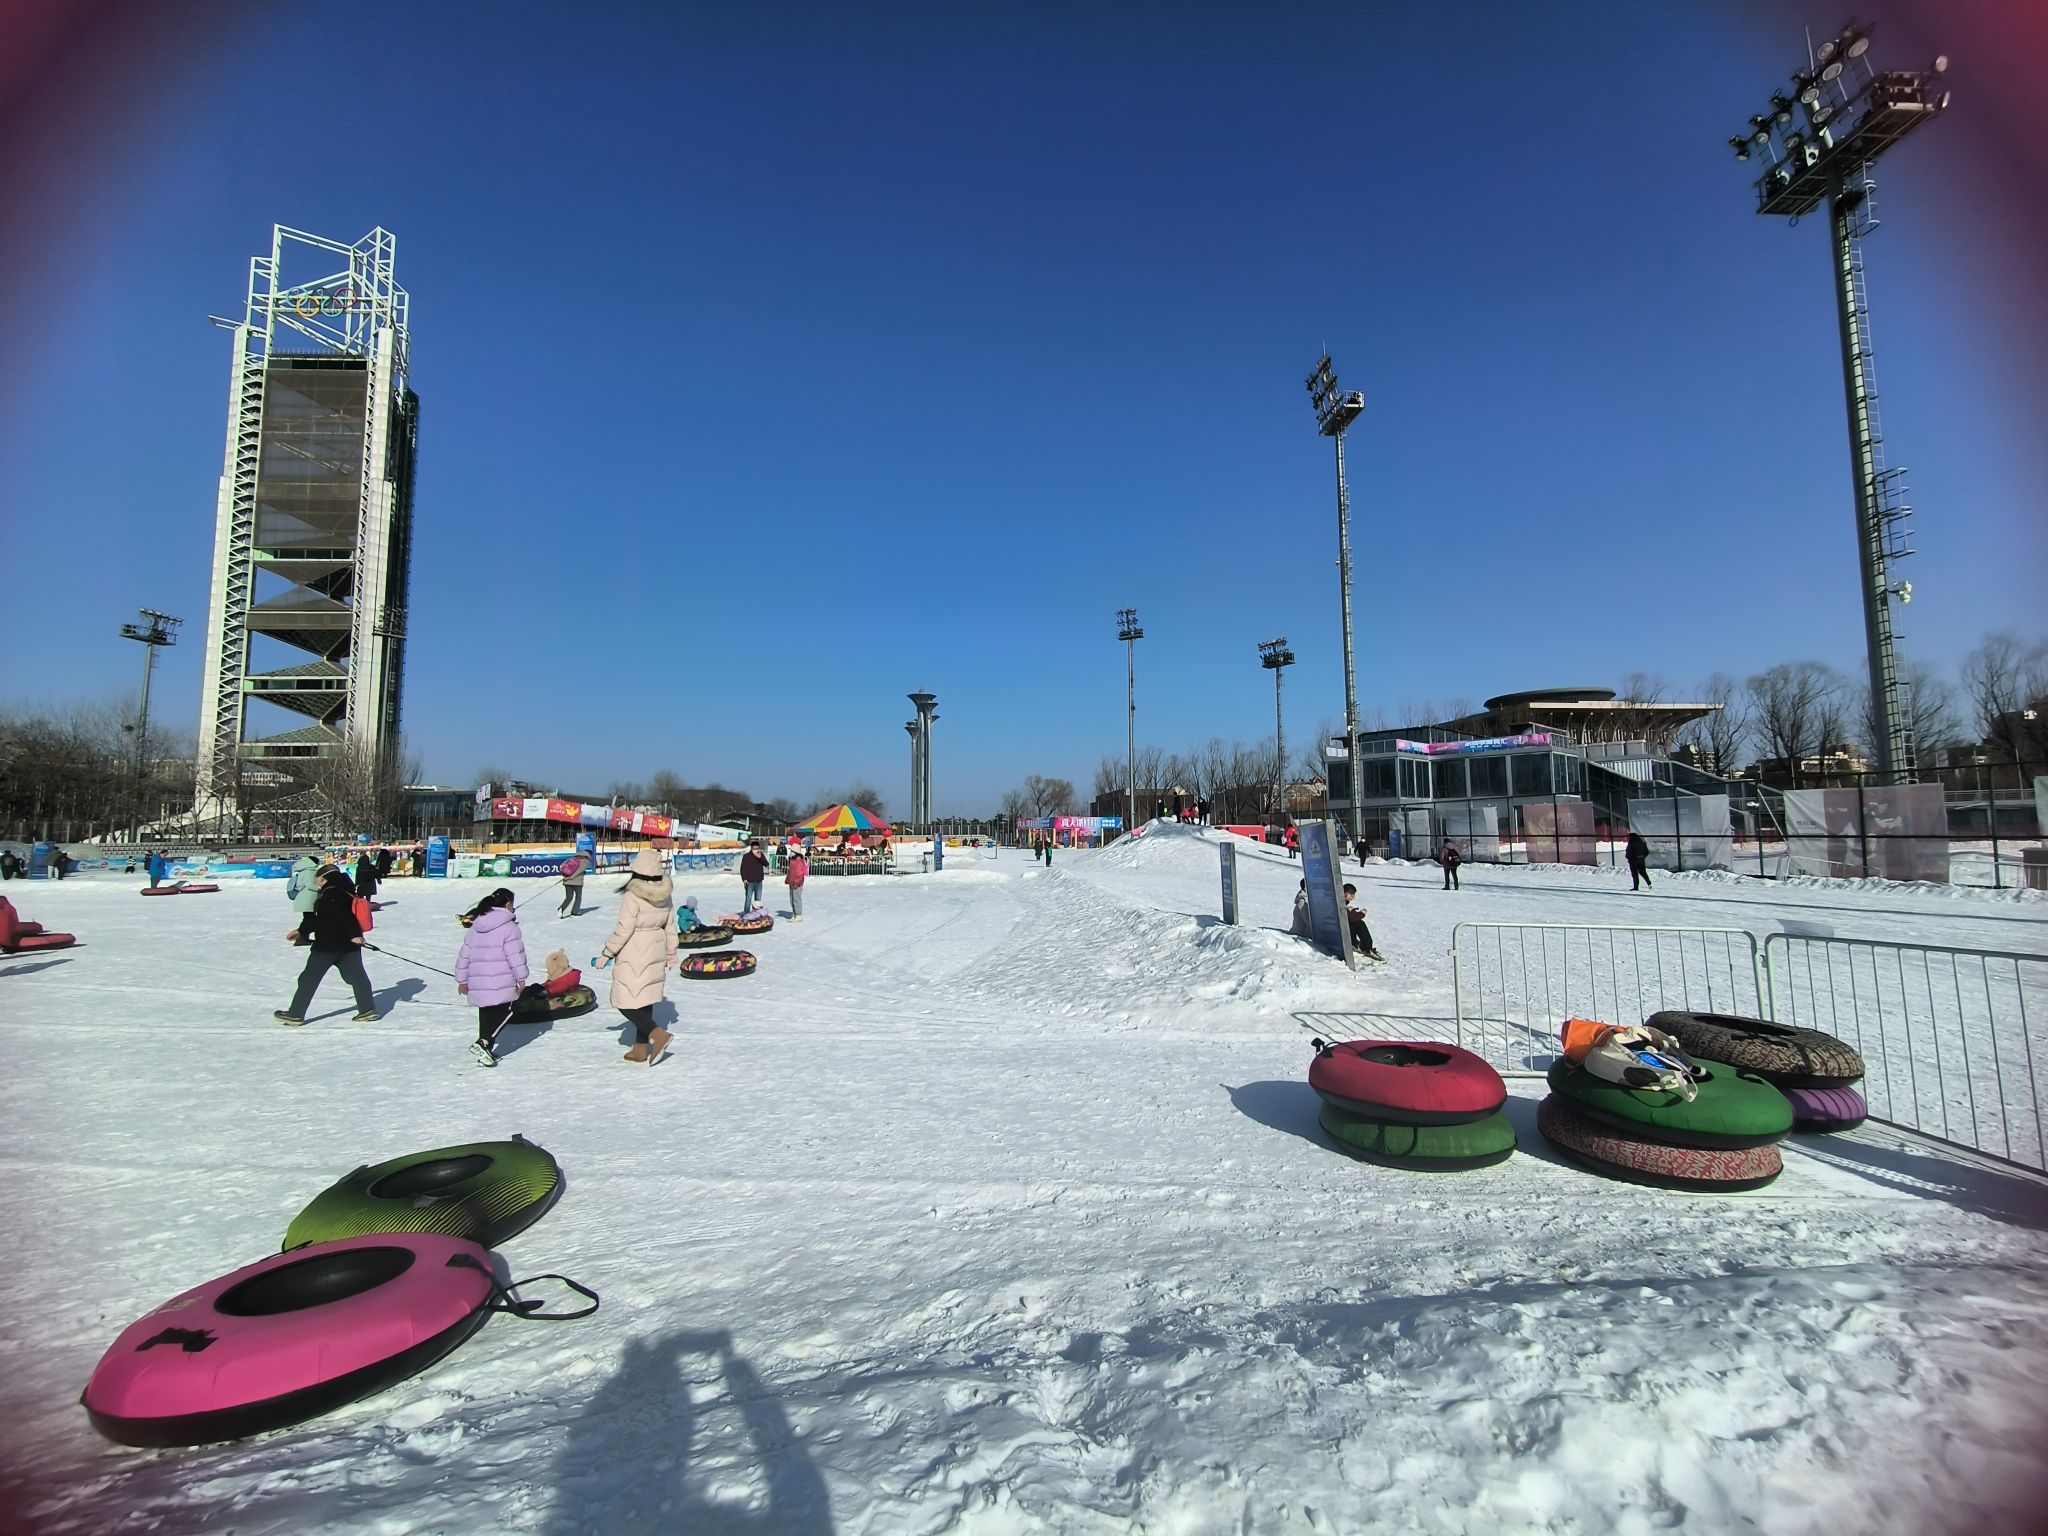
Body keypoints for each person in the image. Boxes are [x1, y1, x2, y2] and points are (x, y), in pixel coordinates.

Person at [594, 847, 678, 1066]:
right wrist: (671, 952)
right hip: (656, 947)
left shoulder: (633, 895)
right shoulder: (665, 892)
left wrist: (607, 952)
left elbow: (624, 928)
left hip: (635, 949)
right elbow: (670, 925)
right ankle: (640, 1049)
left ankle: (657, 1035)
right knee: (645, 997)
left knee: (624, 1000)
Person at [275, 866, 378, 1024]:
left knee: (308, 979)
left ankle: (295, 1014)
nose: (315, 882)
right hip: (348, 947)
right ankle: (367, 1010)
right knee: (357, 977)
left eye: (316, 878)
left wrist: (355, 934)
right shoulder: (345, 890)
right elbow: (322, 919)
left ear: (323, 878)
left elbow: (343, 916)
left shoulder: (331, 893)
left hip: (328, 946)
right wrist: (302, 931)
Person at [456, 887, 529, 1068]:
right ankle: (484, 1042)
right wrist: (521, 979)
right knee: (507, 1012)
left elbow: (464, 954)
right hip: (501, 980)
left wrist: (462, 980)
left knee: (486, 1013)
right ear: (508, 904)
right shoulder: (509, 927)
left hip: (478, 980)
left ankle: (485, 1050)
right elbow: (515, 956)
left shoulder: (476, 925)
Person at [1341, 883, 1387, 963]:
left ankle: (1357, 944)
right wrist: (1362, 913)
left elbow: (1348, 916)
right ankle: (1367, 948)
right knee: (1359, 923)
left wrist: (1348, 910)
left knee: (1356, 922)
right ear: (1346, 894)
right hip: (1343, 932)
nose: (1353, 898)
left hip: (1338, 929)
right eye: (1352, 895)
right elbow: (1352, 918)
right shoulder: (1341, 903)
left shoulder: (1339, 901)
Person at [286, 851, 322, 942]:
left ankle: (303, 937)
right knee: (310, 920)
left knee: (308, 919)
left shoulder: (304, 870)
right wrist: (320, 889)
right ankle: (300, 936)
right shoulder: (309, 872)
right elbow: (310, 885)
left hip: (305, 899)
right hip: (308, 900)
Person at [738, 842, 767, 914]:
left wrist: (760, 857)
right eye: (754, 848)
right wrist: (744, 879)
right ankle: (746, 914)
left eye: (757, 848)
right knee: (748, 900)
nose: (756, 850)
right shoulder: (746, 856)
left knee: (758, 901)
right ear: (751, 848)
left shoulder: (761, 855)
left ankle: (757, 914)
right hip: (750, 882)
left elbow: (766, 864)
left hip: (759, 881)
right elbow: (743, 869)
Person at [558, 852, 587, 917]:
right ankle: (575, 911)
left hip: (567, 881)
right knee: (578, 897)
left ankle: (561, 908)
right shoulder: (584, 862)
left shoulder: (570, 860)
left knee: (569, 897)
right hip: (577, 882)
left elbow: (563, 868)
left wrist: (566, 877)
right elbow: (579, 872)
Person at [785, 845, 808, 921]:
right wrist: (788, 879)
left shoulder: (798, 860)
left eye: (792, 851)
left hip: (797, 882)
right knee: (792, 898)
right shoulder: (792, 859)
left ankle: (798, 914)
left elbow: (799, 873)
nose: (790, 852)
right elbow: (791, 871)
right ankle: (794, 913)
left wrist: (796, 882)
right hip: (792, 881)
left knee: (796, 898)